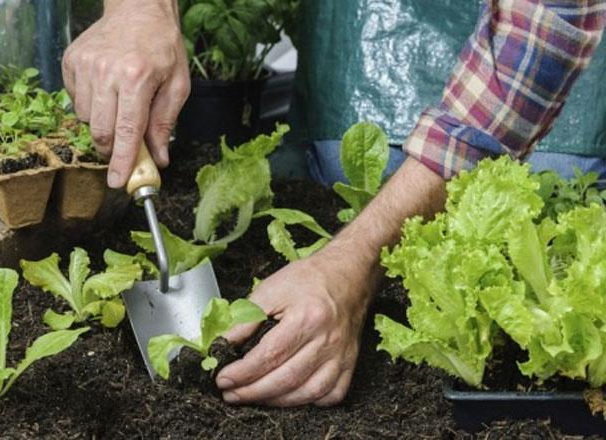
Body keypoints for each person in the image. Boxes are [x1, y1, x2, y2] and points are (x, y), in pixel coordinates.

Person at [63, 0, 606, 407]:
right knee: (334, 161)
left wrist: (355, 262)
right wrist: (140, 10)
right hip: (355, 60)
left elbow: (544, 29)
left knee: (546, 188)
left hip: (541, 95)